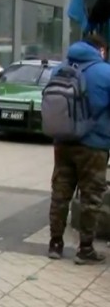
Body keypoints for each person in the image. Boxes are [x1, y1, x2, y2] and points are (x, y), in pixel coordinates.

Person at [47, 33, 110, 264]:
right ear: (100, 49)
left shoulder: (60, 69)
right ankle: (85, 248)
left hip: (62, 141)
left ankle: (55, 244)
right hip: (94, 145)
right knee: (91, 197)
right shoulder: (105, 72)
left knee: (60, 193)